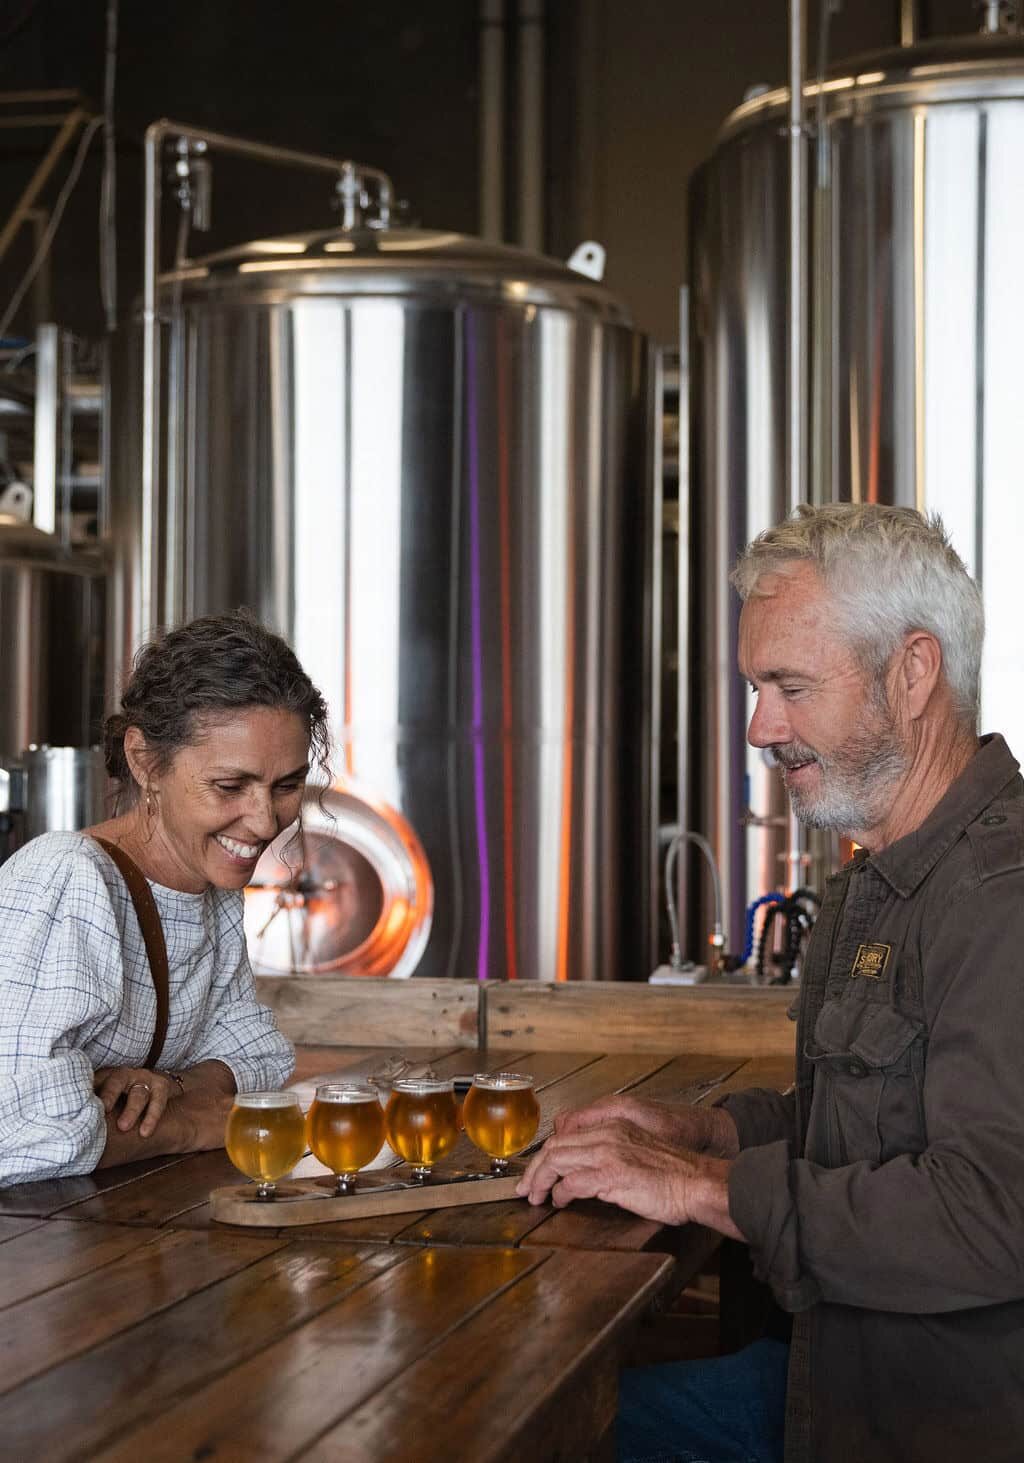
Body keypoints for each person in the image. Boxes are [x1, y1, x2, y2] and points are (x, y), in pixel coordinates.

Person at [518, 503, 1024, 1463]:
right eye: (756, 687)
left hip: (926, 1419)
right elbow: (879, 1121)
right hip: (826, 1375)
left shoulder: (1003, 897)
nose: (759, 726)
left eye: (789, 685)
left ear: (914, 672)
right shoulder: (878, 878)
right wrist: (701, 1131)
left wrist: (708, 1188)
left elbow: (991, 1215)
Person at [0, 610, 330, 1185]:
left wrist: (174, 1088)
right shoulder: (67, 880)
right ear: (146, 761)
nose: (261, 821)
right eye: (230, 786)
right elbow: (22, 1131)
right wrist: (192, 1124)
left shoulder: (208, 883)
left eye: (287, 786)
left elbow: (255, 1050)